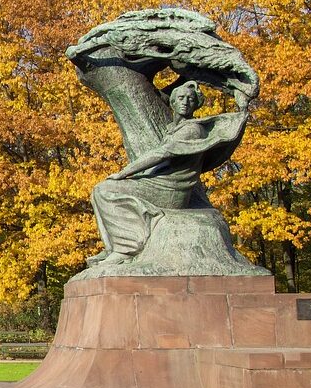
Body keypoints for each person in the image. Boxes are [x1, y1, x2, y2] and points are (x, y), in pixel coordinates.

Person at [87, 80, 249, 267]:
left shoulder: (192, 130)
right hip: (160, 183)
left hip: (171, 191)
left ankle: (125, 248)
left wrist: (123, 173)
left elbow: (161, 153)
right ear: (172, 102)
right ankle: (113, 247)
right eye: (180, 98)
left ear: (196, 104)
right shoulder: (172, 129)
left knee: (104, 190)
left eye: (190, 99)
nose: (185, 102)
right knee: (99, 191)